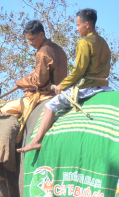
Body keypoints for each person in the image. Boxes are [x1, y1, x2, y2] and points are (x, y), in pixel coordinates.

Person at [18, 9, 111, 153]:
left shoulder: (84, 42)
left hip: (87, 87)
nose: (76, 28)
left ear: (87, 24)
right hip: (104, 86)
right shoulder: (103, 42)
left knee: (50, 106)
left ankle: (36, 140)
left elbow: (79, 70)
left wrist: (63, 85)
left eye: (78, 25)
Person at [0, 20, 69, 120]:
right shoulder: (58, 49)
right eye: (28, 40)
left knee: (5, 109)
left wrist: (20, 82)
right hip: (62, 92)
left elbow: (39, 81)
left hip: (46, 96)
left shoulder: (42, 53)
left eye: (32, 39)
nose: (30, 43)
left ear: (41, 34)